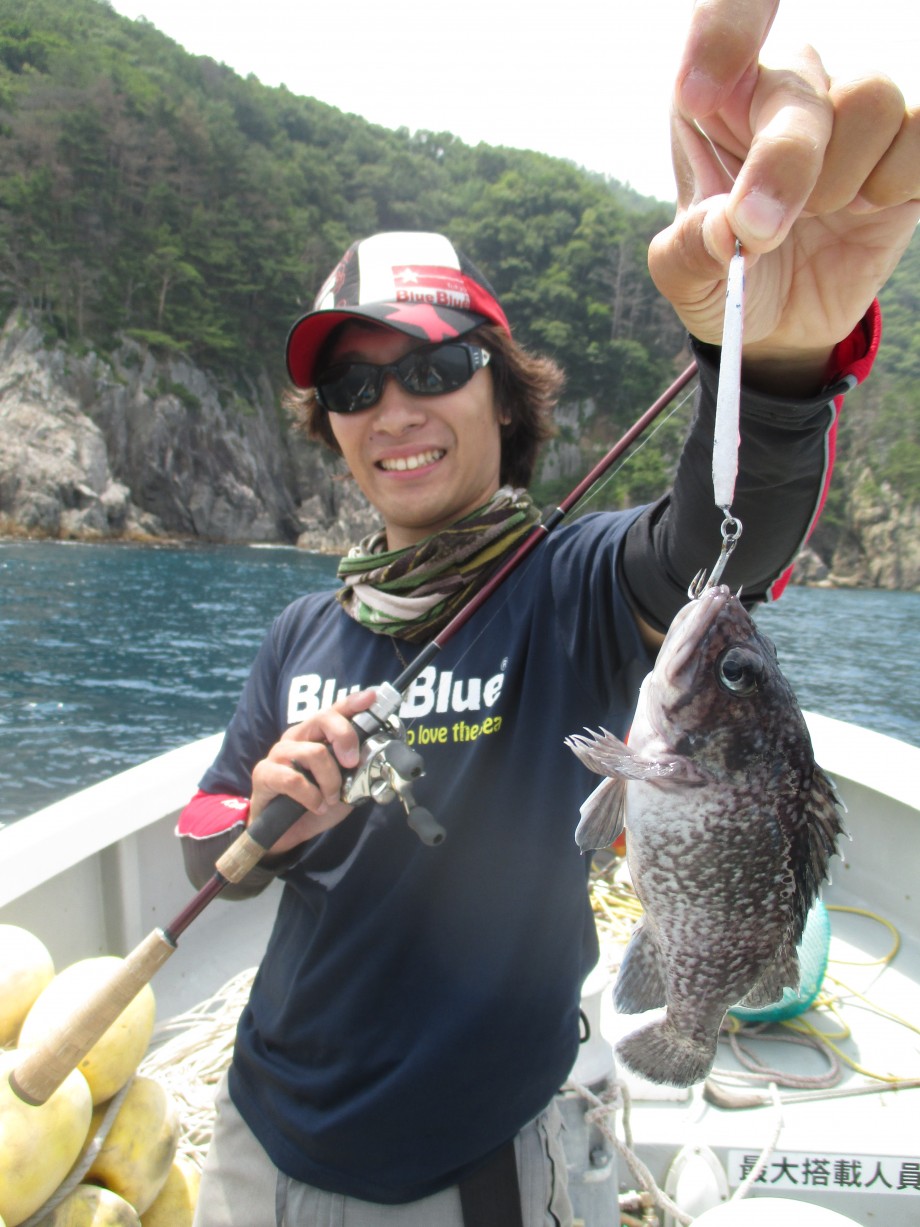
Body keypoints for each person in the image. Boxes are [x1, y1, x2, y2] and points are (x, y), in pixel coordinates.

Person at [181, 4, 919, 1223]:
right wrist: (269, 818)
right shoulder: (299, 633)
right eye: (353, 387)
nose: (392, 410)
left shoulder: (571, 585)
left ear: (504, 397)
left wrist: (777, 367)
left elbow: (716, 546)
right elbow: (208, 845)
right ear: (330, 427)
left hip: (473, 1163)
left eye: (432, 368)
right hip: (259, 1133)